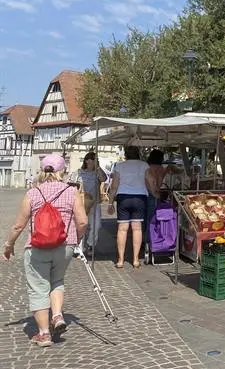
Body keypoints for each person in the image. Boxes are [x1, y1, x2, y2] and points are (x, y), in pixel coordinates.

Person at [3, 154, 88, 347]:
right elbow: (82, 221)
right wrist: (77, 239)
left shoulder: (33, 193)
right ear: (62, 172)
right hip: (64, 246)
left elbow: (18, 225)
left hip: (38, 247)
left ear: (42, 171)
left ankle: (43, 334)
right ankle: (57, 315)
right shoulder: (71, 191)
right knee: (57, 280)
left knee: (38, 287)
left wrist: (9, 245)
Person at [108, 146, 149, 269]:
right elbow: (149, 181)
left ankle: (120, 260)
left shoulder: (119, 166)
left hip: (123, 197)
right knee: (137, 229)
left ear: (126, 154)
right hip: (140, 197)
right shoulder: (144, 165)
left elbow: (114, 186)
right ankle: (136, 260)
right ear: (138, 153)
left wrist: (110, 203)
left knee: (122, 229)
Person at [76, 152, 107, 254]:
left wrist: (98, 167)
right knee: (82, 224)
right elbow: (73, 185)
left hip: (95, 203)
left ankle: (90, 244)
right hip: (82, 203)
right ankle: (80, 246)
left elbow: (104, 179)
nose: (91, 161)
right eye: (90, 159)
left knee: (96, 225)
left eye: (94, 159)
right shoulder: (79, 172)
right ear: (86, 160)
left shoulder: (97, 173)